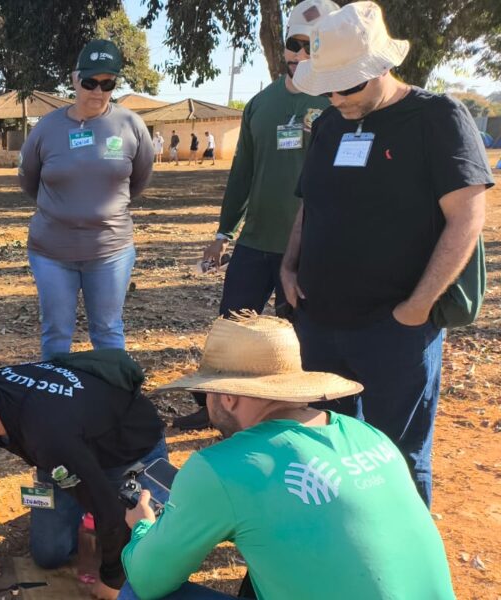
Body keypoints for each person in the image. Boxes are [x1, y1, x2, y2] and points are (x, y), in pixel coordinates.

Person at [282, 1, 493, 506]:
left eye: (348, 84)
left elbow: (467, 218)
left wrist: (415, 309)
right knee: (327, 449)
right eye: (327, 85)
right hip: (318, 323)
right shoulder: (330, 121)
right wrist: (289, 266)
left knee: (396, 456)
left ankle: (400, 567)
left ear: (382, 65)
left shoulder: (437, 117)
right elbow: (310, 203)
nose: (337, 97)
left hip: (394, 329)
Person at [118, 314, 455, 600]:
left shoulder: (222, 467)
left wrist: (143, 526)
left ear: (228, 397)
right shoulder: (367, 434)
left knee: (136, 589)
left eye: (204, 393)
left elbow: (149, 580)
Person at [177, 0, 338, 432]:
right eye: (294, 44)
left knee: (300, 336)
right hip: (255, 242)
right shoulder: (260, 105)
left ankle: (295, 414)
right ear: (284, 46)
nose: (300, 54)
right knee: (230, 329)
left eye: (312, 45)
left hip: (308, 247)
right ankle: (211, 407)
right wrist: (223, 232)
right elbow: (242, 175)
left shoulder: (336, 104)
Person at [0, 351, 167, 600]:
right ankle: (82, 509)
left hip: (129, 451)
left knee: (144, 551)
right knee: (49, 554)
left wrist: (111, 583)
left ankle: (102, 514)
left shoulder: (46, 434)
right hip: (68, 452)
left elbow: (109, 513)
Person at [18, 39, 154, 359]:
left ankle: (113, 400)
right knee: (56, 332)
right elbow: (28, 180)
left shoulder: (130, 125)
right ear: (74, 79)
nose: (98, 91)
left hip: (110, 251)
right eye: (90, 82)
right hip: (51, 252)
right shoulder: (46, 128)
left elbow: (140, 178)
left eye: (108, 84)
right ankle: (56, 400)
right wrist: (65, 208)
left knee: (107, 330)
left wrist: (102, 210)